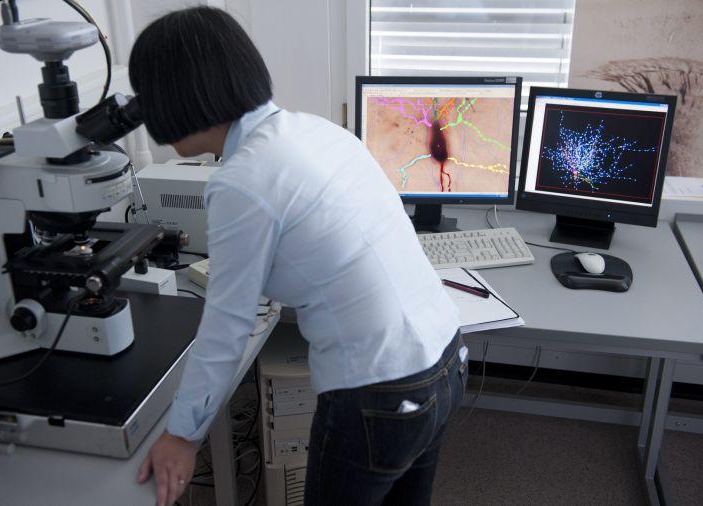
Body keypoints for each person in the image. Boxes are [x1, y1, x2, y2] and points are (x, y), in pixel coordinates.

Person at [129, 6, 464, 506]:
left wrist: (182, 436)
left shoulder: (242, 180)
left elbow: (225, 331)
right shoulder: (316, 130)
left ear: (175, 97)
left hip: (379, 393)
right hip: (445, 361)